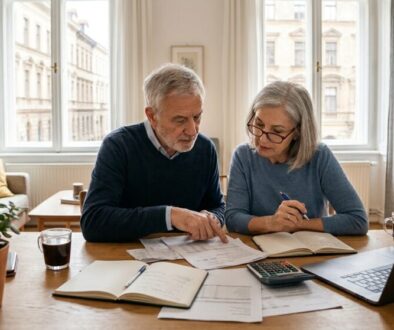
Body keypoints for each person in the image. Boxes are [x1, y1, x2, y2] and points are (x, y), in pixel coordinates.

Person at [81, 63, 227, 243]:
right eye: (180, 120)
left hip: (189, 259)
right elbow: (93, 222)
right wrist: (170, 215)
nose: (192, 130)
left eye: (197, 117)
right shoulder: (118, 145)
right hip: (127, 260)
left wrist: (211, 218)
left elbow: (218, 206)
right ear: (152, 116)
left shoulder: (206, 149)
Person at [225, 81, 368, 236]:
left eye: (277, 131)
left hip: (312, 252)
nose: (262, 139)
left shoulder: (319, 156)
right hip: (259, 253)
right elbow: (233, 218)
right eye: (258, 124)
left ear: (298, 132)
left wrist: (298, 224)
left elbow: (357, 220)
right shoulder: (243, 156)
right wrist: (272, 222)